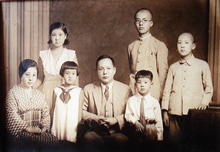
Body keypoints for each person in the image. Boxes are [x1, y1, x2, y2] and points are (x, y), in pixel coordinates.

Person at [161, 32, 213, 143]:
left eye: (186, 43)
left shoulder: (202, 65)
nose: (182, 46)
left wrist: (204, 103)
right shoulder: (173, 67)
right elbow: (167, 90)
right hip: (174, 111)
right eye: (179, 43)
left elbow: (208, 88)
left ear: (193, 46)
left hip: (194, 111)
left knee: (193, 142)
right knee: (174, 142)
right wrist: (165, 111)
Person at [81, 55, 131, 151]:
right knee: (88, 137)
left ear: (114, 70)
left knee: (120, 140)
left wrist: (116, 120)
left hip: (117, 132)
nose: (105, 72)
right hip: (96, 131)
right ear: (96, 71)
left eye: (108, 68)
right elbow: (81, 112)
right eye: (101, 69)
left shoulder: (125, 89)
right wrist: (96, 118)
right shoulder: (88, 88)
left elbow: (131, 113)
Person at [5, 59, 58, 149]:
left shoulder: (38, 94)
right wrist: (27, 128)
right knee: (33, 143)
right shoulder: (13, 93)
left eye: (34, 75)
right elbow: (11, 114)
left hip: (38, 130)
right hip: (21, 132)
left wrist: (44, 127)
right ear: (21, 74)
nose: (31, 78)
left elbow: (45, 112)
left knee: (53, 141)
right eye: (27, 75)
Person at [34, 22, 78, 117]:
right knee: (46, 122)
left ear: (65, 36)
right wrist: (28, 88)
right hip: (46, 93)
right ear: (50, 36)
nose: (57, 38)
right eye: (54, 35)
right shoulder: (43, 55)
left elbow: (75, 80)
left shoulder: (71, 55)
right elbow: (40, 78)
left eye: (60, 34)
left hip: (64, 92)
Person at [128, 8, 168, 101]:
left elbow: (163, 73)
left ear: (151, 23)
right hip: (134, 91)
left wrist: (161, 96)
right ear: (135, 24)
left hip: (153, 92)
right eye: (138, 21)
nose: (141, 23)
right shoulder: (131, 46)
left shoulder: (159, 45)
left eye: (145, 20)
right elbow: (132, 71)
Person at [125, 70, 163, 150]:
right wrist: (135, 122)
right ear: (135, 84)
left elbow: (159, 121)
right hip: (136, 129)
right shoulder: (131, 100)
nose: (142, 85)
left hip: (150, 129)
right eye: (139, 82)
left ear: (151, 84)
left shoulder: (154, 102)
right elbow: (128, 115)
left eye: (146, 82)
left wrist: (159, 138)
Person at [51, 61, 82, 143]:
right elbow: (53, 109)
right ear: (62, 74)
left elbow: (79, 111)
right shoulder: (56, 90)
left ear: (76, 75)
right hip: (59, 121)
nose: (70, 76)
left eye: (73, 74)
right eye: (67, 73)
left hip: (72, 123)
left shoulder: (79, 91)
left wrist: (79, 126)